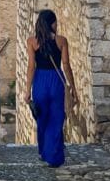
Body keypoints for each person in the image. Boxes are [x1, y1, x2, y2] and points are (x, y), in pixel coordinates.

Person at [25, 9, 78, 167]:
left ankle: (43, 152)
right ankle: (54, 156)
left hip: (40, 81)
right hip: (56, 80)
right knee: (56, 118)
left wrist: (27, 90)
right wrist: (73, 86)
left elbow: (31, 67)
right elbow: (66, 65)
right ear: (51, 23)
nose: (57, 25)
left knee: (42, 118)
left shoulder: (32, 42)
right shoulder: (62, 41)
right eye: (55, 22)